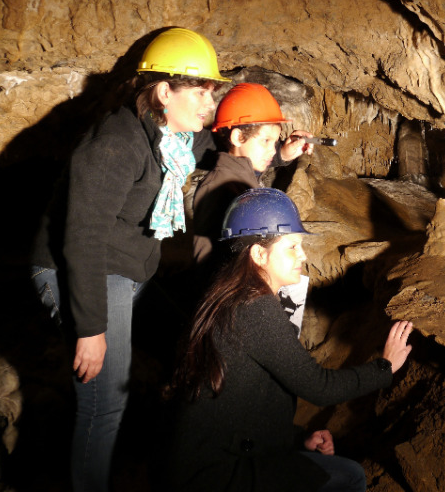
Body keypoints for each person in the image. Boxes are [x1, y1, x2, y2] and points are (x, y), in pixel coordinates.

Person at [29, 27, 229, 492]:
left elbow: (225, 148)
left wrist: (280, 152)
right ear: (163, 91)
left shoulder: (176, 140)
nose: (208, 103)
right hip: (80, 267)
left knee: (193, 339)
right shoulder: (114, 144)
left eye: (211, 92)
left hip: (130, 264)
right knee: (103, 402)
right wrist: (91, 329)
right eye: (200, 91)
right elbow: (82, 239)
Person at [165, 188, 413, 492]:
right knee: (348, 477)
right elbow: (319, 387)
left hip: (214, 455)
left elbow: (244, 400)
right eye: (292, 247)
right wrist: (384, 367)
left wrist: (297, 438)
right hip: (215, 472)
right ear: (259, 254)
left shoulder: (235, 293)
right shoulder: (255, 309)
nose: (303, 255)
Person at [190, 82, 313, 333]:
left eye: (275, 140)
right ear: (237, 136)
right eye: (266, 140)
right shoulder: (223, 189)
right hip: (232, 313)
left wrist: (284, 153)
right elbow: (210, 262)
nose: (272, 149)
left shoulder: (236, 175)